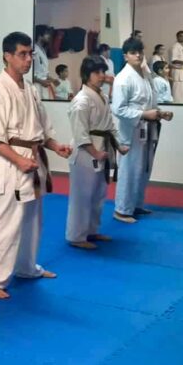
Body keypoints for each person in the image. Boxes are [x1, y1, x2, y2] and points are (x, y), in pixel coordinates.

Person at [0, 32, 72, 299]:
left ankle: (26, 267)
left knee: (31, 220)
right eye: (22, 54)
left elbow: (41, 128)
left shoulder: (30, 89)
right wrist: (19, 160)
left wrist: (55, 146)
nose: (29, 59)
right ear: (7, 56)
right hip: (11, 165)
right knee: (3, 221)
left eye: (30, 54)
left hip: (32, 159)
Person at [66, 57, 128, 250]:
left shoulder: (103, 97)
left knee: (98, 194)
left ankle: (91, 230)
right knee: (82, 197)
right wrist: (95, 152)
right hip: (85, 155)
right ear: (87, 75)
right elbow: (80, 133)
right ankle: (77, 236)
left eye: (103, 72)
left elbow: (110, 126)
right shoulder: (81, 101)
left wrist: (119, 145)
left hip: (102, 148)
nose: (101, 76)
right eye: (97, 72)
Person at [112, 37, 173, 223]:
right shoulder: (123, 79)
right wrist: (145, 114)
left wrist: (160, 113)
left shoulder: (145, 75)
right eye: (133, 53)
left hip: (147, 129)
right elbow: (118, 109)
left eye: (140, 52)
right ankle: (122, 210)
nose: (138, 55)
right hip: (131, 131)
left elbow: (149, 102)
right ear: (126, 56)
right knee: (129, 170)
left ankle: (136, 205)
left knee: (144, 169)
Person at [32, 25, 59, 100]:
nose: (49, 36)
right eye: (47, 34)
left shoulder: (43, 50)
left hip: (44, 85)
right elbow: (29, 73)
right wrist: (41, 81)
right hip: (36, 84)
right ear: (40, 35)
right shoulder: (34, 49)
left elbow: (43, 72)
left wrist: (53, 80)